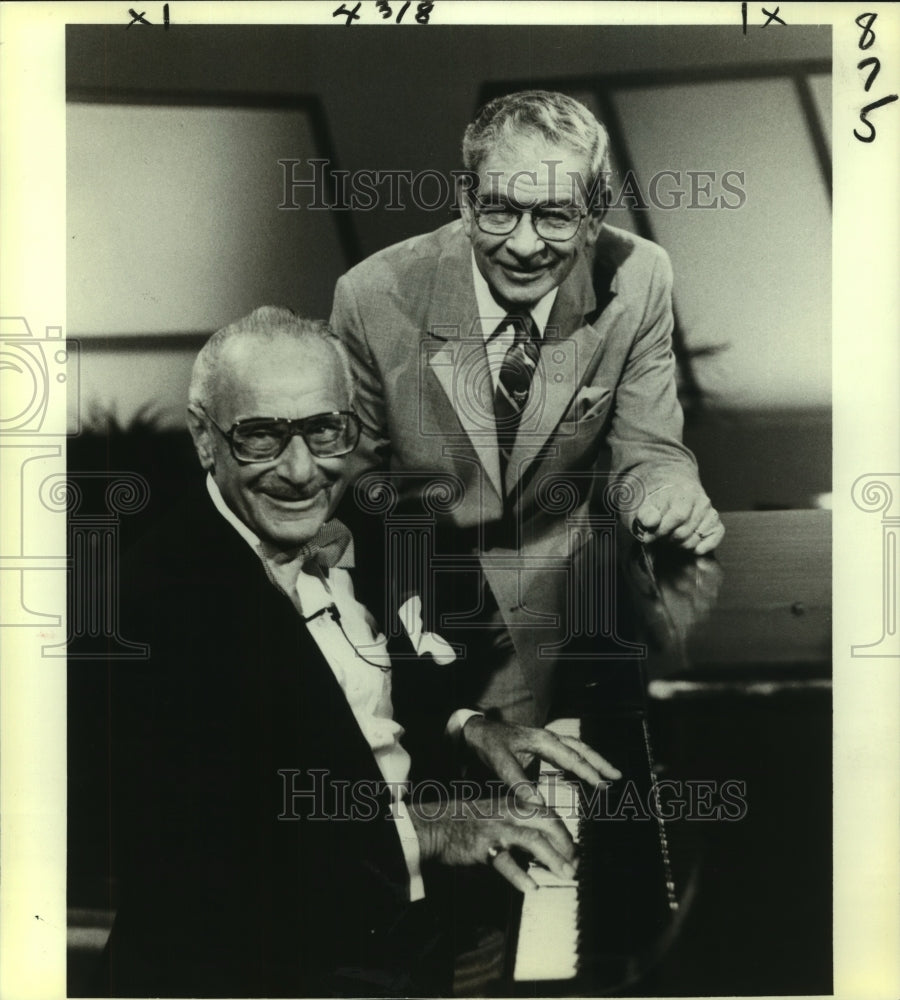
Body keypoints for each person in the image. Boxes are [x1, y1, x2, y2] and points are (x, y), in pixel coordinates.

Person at [97, 307, 576, 998]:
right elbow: (194, 864)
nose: (301, 471)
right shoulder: (142, 604)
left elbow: (372, 707)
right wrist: (428, 834)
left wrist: (468, 725)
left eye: (325, 430)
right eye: (261, 436)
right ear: (204, 437)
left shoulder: (371, 538)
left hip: (408, 936)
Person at [330, 90, 724, 790]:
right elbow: (349, 501)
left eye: (553, 214)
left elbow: (650, 451)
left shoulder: (639, 278)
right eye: (500, 208)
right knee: (457, 835)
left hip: (583, 611)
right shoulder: (372, 294)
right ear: (464, 198)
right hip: (425, 608)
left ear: (595, 212)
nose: (521, 242)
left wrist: (670, 494)